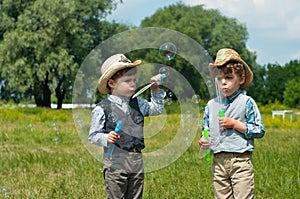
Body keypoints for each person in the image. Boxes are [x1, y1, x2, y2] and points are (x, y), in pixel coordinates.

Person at [88, 53, 165, 199]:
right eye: (127, 80)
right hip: (115, 161)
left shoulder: (138, 103)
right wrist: (106, 137)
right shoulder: (102, 108)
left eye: (134, 80)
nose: (133, 84)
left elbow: (156, 109)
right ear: (112, 83)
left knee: (136, 195)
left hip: (136, 158)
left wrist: (155, 92)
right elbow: (93, 135)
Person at [198, 48, 265, 199]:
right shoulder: (211, 105)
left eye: (228, 78)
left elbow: (259, 130)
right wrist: (204, 140)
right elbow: (206, 129)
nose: (223, 83)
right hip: (218, 162)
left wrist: (235, 124)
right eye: (219, 79)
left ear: (240, 79)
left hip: (240, 161)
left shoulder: (247, 102)